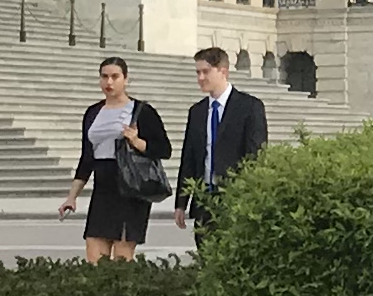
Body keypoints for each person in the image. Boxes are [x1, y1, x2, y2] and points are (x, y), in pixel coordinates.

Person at [67, 56, 170, 261]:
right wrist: (72, 196)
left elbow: (164, 149)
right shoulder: (93, 113)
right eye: (104, 77)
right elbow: (87, 157)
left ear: (126, 79)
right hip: (103, 188)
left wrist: (137, 142)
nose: (109, 82)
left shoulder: (142, 111)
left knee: (121, 258)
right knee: (94, 253)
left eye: (115, 76)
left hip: (129, 186)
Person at [175, 43, 269, 221]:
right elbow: (189, 158)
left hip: (235, 198)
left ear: (223, 72)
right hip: (204, 198)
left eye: (206, 71)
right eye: (198, 72)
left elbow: (255, 154)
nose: (201, 77)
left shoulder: (249, 107)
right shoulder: (197, 111)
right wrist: (181, 203)